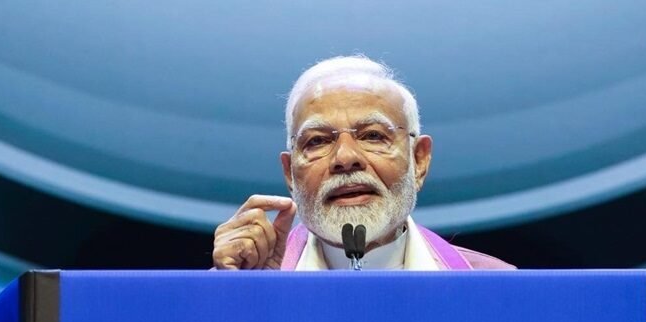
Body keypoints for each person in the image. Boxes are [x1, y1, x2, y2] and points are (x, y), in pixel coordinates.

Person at [212, 56, 513, 271]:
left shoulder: (500, 290)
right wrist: (238, 297)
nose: (345, 158)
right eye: (317, 141)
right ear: (289, 174)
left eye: (372, 136)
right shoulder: (240, 283)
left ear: (419, 160)